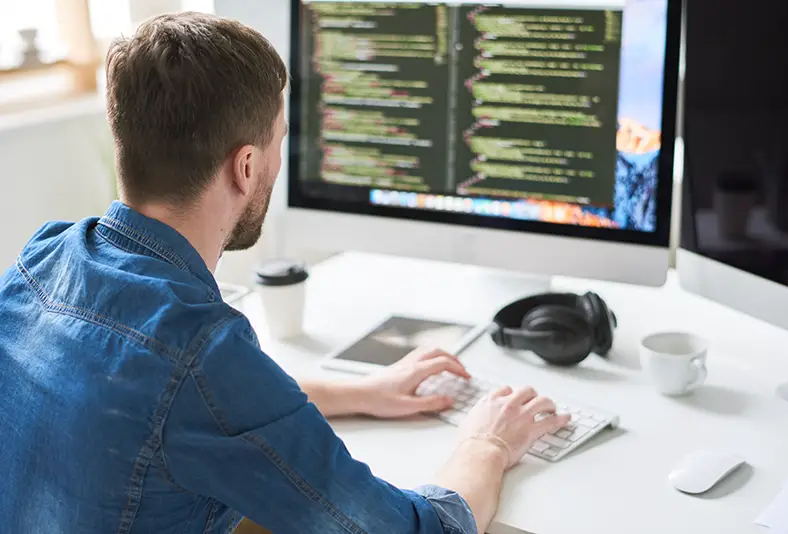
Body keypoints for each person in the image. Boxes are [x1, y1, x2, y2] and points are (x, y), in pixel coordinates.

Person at [0, 12, 569, 534]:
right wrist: (489, 443)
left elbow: (177, 405)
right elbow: (407, 529)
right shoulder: (200, 351)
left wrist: (360, 392)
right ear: (246, 167)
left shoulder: (43, 258)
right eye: (278, 144)